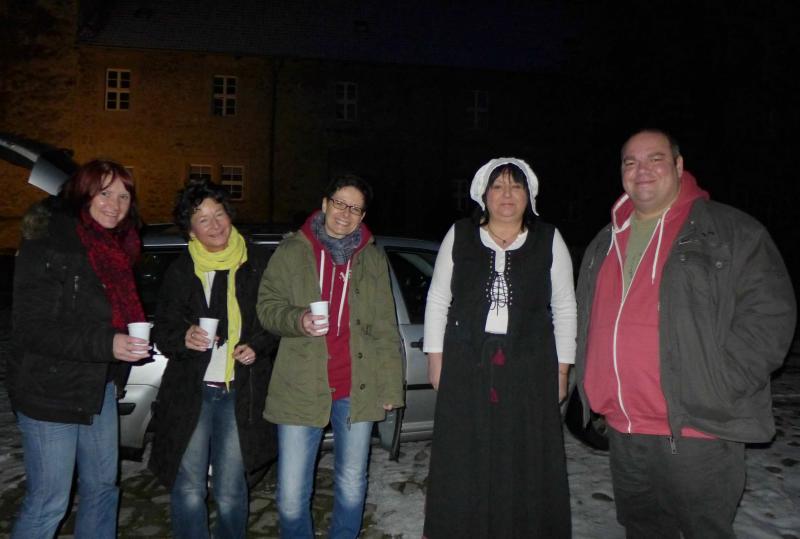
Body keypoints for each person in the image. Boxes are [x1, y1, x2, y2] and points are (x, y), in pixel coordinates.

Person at [575, 128, 797, 538]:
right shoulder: (604, 241)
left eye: (655, 159)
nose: (641, 170)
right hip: (626, 429)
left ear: (679, 166)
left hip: (696, 428)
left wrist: (720, 383)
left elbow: (770, 315)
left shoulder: (728, 230)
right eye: (630, 162)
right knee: (642, 530)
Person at [422, 158, 576, 538]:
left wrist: (561, 370)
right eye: (498, 186)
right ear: (484, 194)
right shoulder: (459, 235)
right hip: (467, 362)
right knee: (465, 452)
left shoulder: (549, 239)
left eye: (516, 186)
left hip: (530, 364)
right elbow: (438, 299)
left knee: (523, 452)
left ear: (529, 195)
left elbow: (565, 306)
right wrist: (435, 359)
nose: (507, 194)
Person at [8, 160, 151, 538]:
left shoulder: (117, 250)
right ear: (83, 193)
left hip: (98, 388)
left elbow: (113, 318)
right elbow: (32, 329)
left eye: (123, 196)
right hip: (49, 391)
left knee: (102, 489)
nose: (115, 205)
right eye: (105, 193)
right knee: (49, 502)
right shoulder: (49, 242)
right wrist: (108, 343)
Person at [257, 174, 404, 538]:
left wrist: (390, 386)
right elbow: (267, 307)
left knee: (352, 484)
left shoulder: (372, 257)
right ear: (324, 204)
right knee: (291, 495)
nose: (345, 213)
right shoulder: (293, 250)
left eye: (355, 208)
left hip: (357, 386)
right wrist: (298, 319)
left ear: (363, 215)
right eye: (339, 203)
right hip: (301, 385)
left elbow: (385, 326)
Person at [147, 179, 278, 539]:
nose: (215, 225)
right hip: (192, 390)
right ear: (191, 230)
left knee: (231, 490)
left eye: (218, 214)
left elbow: (275, 320)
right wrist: (184, 336)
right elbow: (164, 329)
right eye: (203, 219)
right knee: (189, 488)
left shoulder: (258, 262)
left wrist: (258, 345)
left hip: (240, 389)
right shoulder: (181, 270)